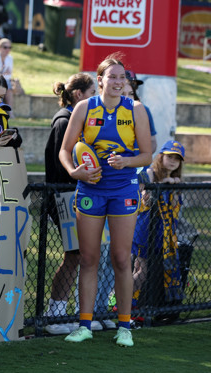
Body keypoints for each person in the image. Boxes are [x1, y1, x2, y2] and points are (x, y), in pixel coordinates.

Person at [59, 55, 152, 347]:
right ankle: (84, 324)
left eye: (122, 77)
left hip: (124, 190)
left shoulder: (136, 109)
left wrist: (126, 161)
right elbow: (65, 149)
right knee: (88, 259)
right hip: (90, 191)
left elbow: (147, 156)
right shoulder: (84, 108)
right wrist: (75, 172)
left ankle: (124, 327)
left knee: (122, 259)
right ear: (99, 80)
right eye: (112, 77)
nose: (118, 82)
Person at [43, 73, 96, 335]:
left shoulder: (75, 120)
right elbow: (60, 164)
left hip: (76, 196)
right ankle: (55, 312)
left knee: (81, 256)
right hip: (66, 197)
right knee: (73, 256)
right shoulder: (65, 121)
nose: (95, 99)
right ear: (78, 95)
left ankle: (68, 310)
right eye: (91, 93)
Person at [132, 140, 185, 307]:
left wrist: (175, 188)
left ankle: (133, 303)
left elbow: (176, 207)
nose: (172, 161)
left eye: (176, 159)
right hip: (145, 230)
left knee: (140, 269)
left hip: (163, 233)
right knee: (142, 270)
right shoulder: (151, 173)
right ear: (161, 156)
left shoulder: (175, 179)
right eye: (169, 156)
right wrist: (163, 185)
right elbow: (145, 197)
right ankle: (119, 301)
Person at [124, 71, 157, 153]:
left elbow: (153, 141)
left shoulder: (144, 110)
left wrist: (143, 158)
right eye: (123, 93)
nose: (127, 97)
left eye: (134, 85)